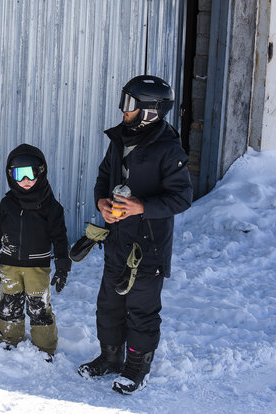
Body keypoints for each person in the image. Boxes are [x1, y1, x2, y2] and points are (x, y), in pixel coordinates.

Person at [77, 75, 193, 394]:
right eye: (123, 101)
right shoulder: (120, 138)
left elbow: (182, 197)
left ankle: (135, 366)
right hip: (117, 239)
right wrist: (102, 201)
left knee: (141, 309)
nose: (122, 110)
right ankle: (110, 357)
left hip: (149, 245)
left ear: (150, 111)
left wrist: (142, 206)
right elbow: (104, 175)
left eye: (129, 104)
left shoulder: (168, 149)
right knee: (109, 304)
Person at [0, 143, 71, 359]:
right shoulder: (7, 204)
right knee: (9, 305)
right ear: (10, 175)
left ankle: (44, 348)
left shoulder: (51, 206)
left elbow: (60, 239)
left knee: (38, 307)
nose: (25, 181)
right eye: (19, 174)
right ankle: (9, 341)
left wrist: (62, 267)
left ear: (41, 171)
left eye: (31, 173)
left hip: (37, 267)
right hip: (9, 265)